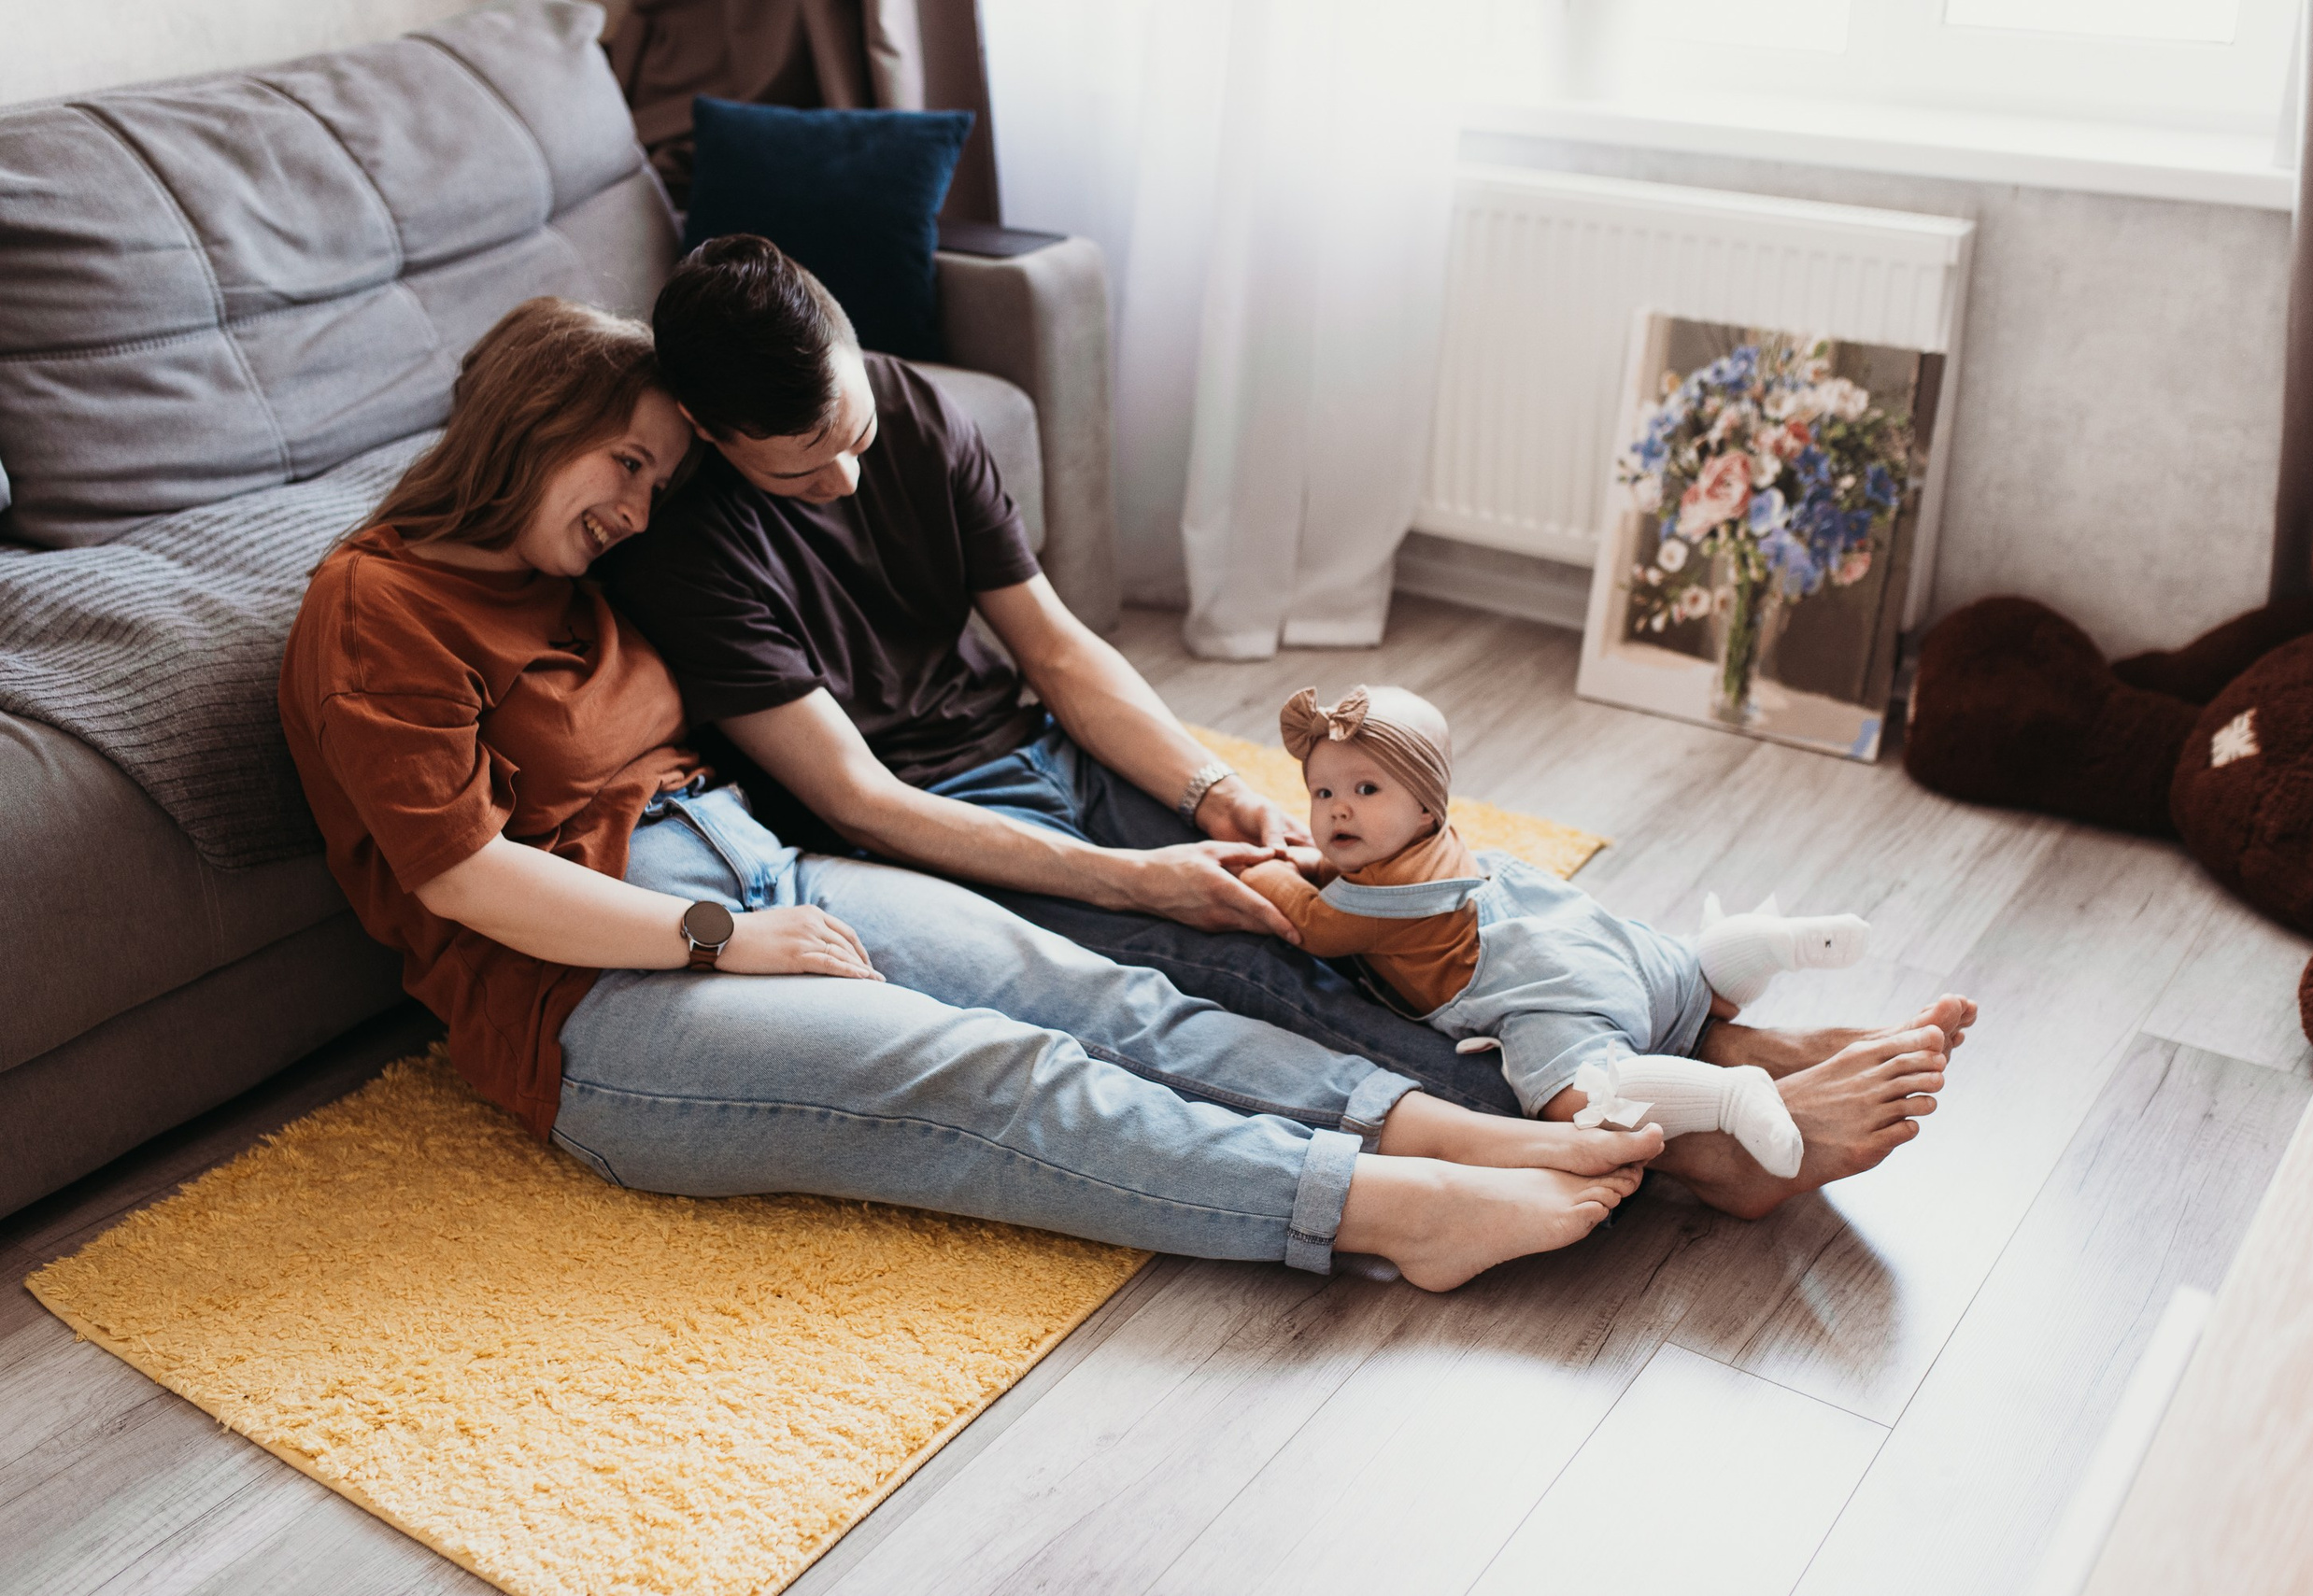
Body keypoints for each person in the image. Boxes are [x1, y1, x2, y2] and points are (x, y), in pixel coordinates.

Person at [277, 295, 1713, 1293]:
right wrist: (715, 940)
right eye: (628, 466)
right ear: (529, 423)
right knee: (1001, 1075)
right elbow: (461, 876)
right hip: (592, 1006)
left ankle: (1442, 1127)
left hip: (761, 872)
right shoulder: (377, 607)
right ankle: (1386, 1212)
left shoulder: (576, 571)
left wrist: (757, 905)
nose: (643, 511)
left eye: (660, 473)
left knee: (1117, 1006)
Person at [597, 233, 1501, 1109]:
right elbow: (860, 801)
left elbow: (1057, 650)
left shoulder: (907, 400)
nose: (846, 479)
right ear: (709, 431)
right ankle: (1562, 1104)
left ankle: (1611, 1002)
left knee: (1365, 878)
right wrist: (1133, 877)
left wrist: (1212, 790)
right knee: (1257, 960)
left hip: (1039, 745)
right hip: (936, 832)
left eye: (855, 437)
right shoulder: (681, 550)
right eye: (802, 474)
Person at [1241, 684, 1978, 1213]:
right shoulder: (1442, 844)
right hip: (1599, 943)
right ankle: (1755, 959)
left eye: (1365, 789)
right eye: (1320, 793)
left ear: (1428, 803)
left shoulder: (1374, 902)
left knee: (1578, 1095)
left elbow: (1313, 918)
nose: (1336, 808)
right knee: (1682, 974)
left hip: (1533, 988)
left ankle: (1731, 1098)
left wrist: (1273, 865)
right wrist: (1331, 847)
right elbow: (1352, 858)